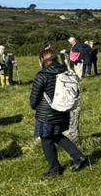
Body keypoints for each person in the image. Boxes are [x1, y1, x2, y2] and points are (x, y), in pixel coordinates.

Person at [29, 49, 91, 177]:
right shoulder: (64, 71)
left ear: (43, 60)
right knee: (57, 135)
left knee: (46, 139)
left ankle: (54, 169)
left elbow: (34, 99)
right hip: (62, 110)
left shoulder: (42, 75)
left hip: (46, 113)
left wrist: (34, 106)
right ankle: (79, 157)